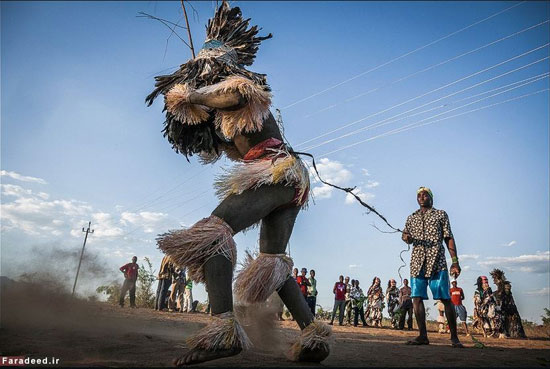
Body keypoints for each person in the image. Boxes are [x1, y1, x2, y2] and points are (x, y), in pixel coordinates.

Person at [151, 2, 330, 364]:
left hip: (275, 171)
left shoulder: (240, 85)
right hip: (287, 178)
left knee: (213, 234)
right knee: (272, 262)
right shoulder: (223, 110)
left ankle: (223, 330)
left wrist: (193, 96)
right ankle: (314, 338)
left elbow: (239, 94)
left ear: (217, 65)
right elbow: (224, 144)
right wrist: (198, 120)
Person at [401, 187, 463, 347]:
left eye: (425, 195)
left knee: (445, 298)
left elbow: (448, 237)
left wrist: (455, 261)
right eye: (419, 195)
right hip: (417, 262)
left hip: (438, 262)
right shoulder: (411, 217)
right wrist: (406, 238)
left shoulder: (440, 214)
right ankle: (422, 336)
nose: (422, 197)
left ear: (431, 197)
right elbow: (405, 236)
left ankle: (454, 338)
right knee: (416, 298)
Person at [490, 269, 525, 338]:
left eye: (494, 278)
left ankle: (511, 334)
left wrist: (495, 294)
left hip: (509, 306)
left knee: (511, 320)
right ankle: (503, 333)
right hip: (503, 307)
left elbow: (505, 294)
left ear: (498, 278)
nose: (494, 281)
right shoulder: (500, 286)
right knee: (501, 319)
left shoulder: (506, 285)